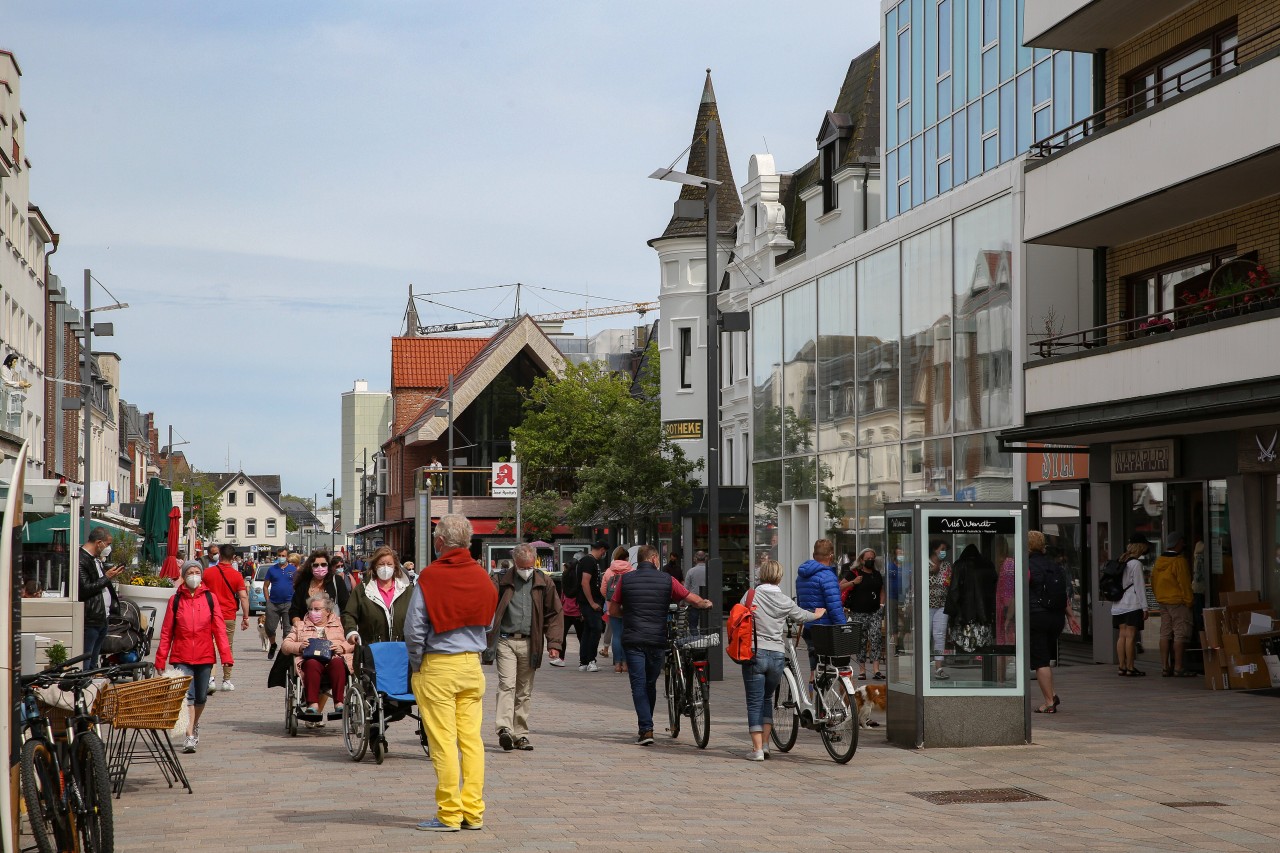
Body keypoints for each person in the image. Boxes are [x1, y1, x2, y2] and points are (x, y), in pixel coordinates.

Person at [405, 514, 498, 832]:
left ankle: (449, 813)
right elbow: (488, 622)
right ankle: (473, 812)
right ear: (469, 542)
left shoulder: (430, 577)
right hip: (471, 664)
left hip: (438, 665)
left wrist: (418, 664)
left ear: (439, 542)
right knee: (472, 741)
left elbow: (414, 628)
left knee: (443, 742)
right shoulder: (483, 577)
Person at [608, 543, 711, 746]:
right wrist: (706, 603)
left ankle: (646, 729)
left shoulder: (626, 579)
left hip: (633, 639)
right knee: (650, 683)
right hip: (657, 639)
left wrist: (628, 617)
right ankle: (647, 723)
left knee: (638, 684)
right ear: (655, 559)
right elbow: (691, 598)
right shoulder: (667, 579)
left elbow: (613, 610)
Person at [740, 559, 823, 761]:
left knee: (754, 702)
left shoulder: (751, 595)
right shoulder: (785, 600)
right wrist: (817, 614)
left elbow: (739, 615)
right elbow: (802, 616)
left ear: (762, 575)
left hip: (754, 653)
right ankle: (766, 745)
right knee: (767, 699)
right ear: (779, 576)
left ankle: (757, 749)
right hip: (777, 655)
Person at [488, 543, 564, 752]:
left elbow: (554, 613)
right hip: (506, 640)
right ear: (515, 563)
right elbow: (486, 602)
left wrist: (554, 643)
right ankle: (504, 728)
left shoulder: (543, 581)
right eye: (522, 567)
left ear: (535, 562)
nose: (526, 571)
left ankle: (520, 734)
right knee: (507, 684)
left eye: (530, 566)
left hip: (531, 642)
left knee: (524, 690)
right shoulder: (501, 579)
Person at [155, 561, 233, 753]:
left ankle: (195, 723)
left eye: (197, 572)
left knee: (201, 697)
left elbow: (220, 630)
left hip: (205, 655)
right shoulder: (175, 600)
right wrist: (160, 658)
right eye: (190, 572)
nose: (194, 575)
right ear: (183, 575)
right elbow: (166, 632)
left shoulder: (210, 598)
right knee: (187, 697)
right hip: (181, 655)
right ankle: (190, 735)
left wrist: (226, 656)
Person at [281, 593, 354, 726]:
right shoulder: (300, 625)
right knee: (312, 664)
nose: (313, 612)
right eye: (310, 609)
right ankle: (313, 704)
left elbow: (353, 642)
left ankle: (339, 702)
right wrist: (299, 647)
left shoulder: (340, 623)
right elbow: (285, 645)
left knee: (337, 662)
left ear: (328, 611)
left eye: (317, 609)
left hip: (333, 658)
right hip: (311, 661)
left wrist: (342, 647)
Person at [1028, 531, 1079, 714]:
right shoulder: (1054, 566)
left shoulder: (1027, 565)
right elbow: (1062, 594)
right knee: (1045, 657)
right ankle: (1052, 694)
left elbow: (1019, 593)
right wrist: (1071, 616)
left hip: (1037, 617)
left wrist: (1010, 616)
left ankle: (1049, 703)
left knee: (1040, 661)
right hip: (1056, 618)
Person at [795, 538, 848, 676]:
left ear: (814, 555)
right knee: (841, 669)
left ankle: (814, 697)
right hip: (826, 631)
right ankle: (845, 697)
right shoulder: (828, 576)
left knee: (815, 669)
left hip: (809, 628)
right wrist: (843, 628)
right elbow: (834, 607)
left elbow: (800, 604)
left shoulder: (801, 576)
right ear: (831, 555)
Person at [201, 544, 250, 691]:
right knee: (227, 647)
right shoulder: (237, 575)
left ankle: (210, 678)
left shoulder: (208, 573)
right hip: (228, 616)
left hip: (209, 615)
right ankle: (226, 680)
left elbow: (200, 593)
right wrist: (246, 617)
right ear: (233, 557)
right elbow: (243, 597)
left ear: (220, 556)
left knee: (209, 646)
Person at [342, 546, 412, 645]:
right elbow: (349, 614)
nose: (385, 568)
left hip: (401, 648)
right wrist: (351, 632)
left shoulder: (407, 589)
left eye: (389, 564)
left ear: (395, 566)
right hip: (371, 648)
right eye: (381, 564)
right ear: (375, 566)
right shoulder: (362, 589)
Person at [79, 527, 123, 669]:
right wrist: (107, 577)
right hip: (91, 618)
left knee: (93, 661)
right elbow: (84, 589)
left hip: (102, 617)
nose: (108, 548)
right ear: (99, 543)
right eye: (108, 544)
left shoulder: (95, 560)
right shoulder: (81, 559)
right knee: (87, 658)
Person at [1151, 533, 1195, 677]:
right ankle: (1178, 667)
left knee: (1165, 633)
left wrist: (1159, 596)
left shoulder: (1159, 561)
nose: (1183, 545)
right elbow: (1185, 583)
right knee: (1180, 633)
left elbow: (1153, 582)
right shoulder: (1179, 561)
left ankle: (1165, 666)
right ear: (1178, 543)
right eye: (1182, 542)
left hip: (1163, 601)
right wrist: (1189, 601)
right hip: (1178, 601)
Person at [944, 543, 998, 655]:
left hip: (964, 614)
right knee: (982, 645)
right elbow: (994, 588)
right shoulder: (988, 565)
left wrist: (952, 613)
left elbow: (954, 590)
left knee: (964, 645)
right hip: (984, 615)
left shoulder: (959, 565)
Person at [840, 548, 885, 681]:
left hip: (874, 612)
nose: (870, 561)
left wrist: (881, 605)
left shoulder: (877, 574)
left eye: (873, 558)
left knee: (876, 638)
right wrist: (854, 582)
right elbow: (840, 586)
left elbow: (882, 590)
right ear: (861, 560)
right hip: (858, 612)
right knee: (861, 640)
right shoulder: (854, 573)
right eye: (868, 559)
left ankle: (876, 670)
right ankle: (862, 670)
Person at [1113, 533, 1150, 677]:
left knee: (1122, 635)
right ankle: (1130, 667)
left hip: (1118, 604)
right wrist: (1145, 607)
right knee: (1130, 636)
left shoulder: (1121, 560)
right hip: (1132, 604)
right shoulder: (1136, 564)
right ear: (1141, 547)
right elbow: (1140, 587)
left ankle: (1121, 666)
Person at [289, 550, 350, 627]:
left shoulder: (336, 581)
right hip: (307, 630)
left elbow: (346, 608)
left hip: (332, 630)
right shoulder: (303, 584)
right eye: (316, 565)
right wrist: (297, 623)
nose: (320, 567)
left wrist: (341, 625)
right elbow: (294, 609)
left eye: (323, 564)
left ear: (328, 566)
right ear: (311, 567)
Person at [599, 546, 635, 672]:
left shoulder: (609, 571)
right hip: (628, 607)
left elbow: (603, 590)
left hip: (612, 608)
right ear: (626, 558)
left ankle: (617, 664)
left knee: (617, 635)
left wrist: (610, 601)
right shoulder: (631, 570)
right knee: (627, 635)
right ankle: (626, 664)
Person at [575, 541, 608, 672]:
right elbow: (585, 582)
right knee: (596, 629)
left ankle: (584, 661)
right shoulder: (589, 561)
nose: (604, 554)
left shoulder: (587, 561)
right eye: (604, 551)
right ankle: (590, 660)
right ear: (601, 549)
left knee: (588, 631)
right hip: (590, 603)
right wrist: (592, 602)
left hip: (587, 602)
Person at [262, 549, 297, 659]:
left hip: (288, 603)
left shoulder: (293, 569)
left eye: (283, 555)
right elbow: (265, 586)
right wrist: (267, 600)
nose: (281, 557)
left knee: (287, 629)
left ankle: (284, 651)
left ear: (287, 557)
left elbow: (297, 585)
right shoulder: (272, 569)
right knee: (270, 628)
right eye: (279, 555)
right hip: (273, 603)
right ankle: (273, 645)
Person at [926, 539, 952, 680]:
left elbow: (949, 583)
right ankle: (923, 666)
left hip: (942, 605)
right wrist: (930, 572)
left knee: (939, 635)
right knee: (926, 634)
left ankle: (939, 667)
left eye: (945, 550)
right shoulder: (925, 563)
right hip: (927, 605)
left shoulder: (947, 566)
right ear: (935, 549)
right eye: (941, 549)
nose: (943, 552)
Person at [554, 557, 583, 668]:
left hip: (566, 611)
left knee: (562, 635)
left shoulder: (565, 578)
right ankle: (583, 660)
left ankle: (561, 658)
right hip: (577, 611)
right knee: (581, 637)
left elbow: (562, 595)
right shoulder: (578, 578)